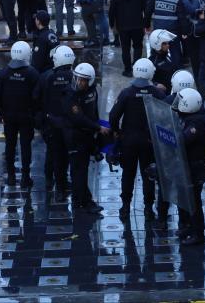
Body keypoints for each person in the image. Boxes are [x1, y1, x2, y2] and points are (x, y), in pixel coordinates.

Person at [109, 58, 165, 219]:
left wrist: (117, 131)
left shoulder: (126, 93)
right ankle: (148, 208)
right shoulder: (157, 93)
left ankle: (125, 207)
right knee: (149, 175)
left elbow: (113, 116)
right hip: (149, 142)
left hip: (129, 141)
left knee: (128, 174)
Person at [0, 41, 39, 187]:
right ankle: (25, 177)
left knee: (10, 145)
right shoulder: (32, 73)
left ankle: (11, 176)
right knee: (26, 146)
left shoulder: (4, 72)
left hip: (9, 116)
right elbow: (37, 96)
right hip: (26, 116)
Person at [66, 62, 108, 213]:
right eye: (77, 78)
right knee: (78, 171)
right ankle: (83, 202)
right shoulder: (71, 95)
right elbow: (79, 118)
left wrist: (97, 130)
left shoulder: (93, 91)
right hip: (75, 137)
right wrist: (98, 128)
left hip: (87, 136)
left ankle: (80, 200)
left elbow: (94, 112)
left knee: (82, 170)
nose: (79, 82)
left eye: (83, 80)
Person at [34, 45, 76, 193]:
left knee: (53, 153)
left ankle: (50, 180)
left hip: (50, 122)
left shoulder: (46, 76)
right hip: (68, 124)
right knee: (63, 155)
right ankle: (61, 182)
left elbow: (36, 98)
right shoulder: (75, 78)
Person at [172, 88, 205, 245]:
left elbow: (184, 139)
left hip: (195, 167)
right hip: (186, 164)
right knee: (184, 197)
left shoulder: (197, 122)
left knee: (193, 201)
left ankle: (198, 234)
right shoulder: (190, 116)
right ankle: (188, 226)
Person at [109, 0, 147, 76]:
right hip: (138, 25)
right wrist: (146, 24)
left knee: (125, 48)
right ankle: (137, 68)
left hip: (123, 26)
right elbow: (145, 10)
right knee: (138, 47)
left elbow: (111, 12)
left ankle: (128, 70)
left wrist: (112, 24)